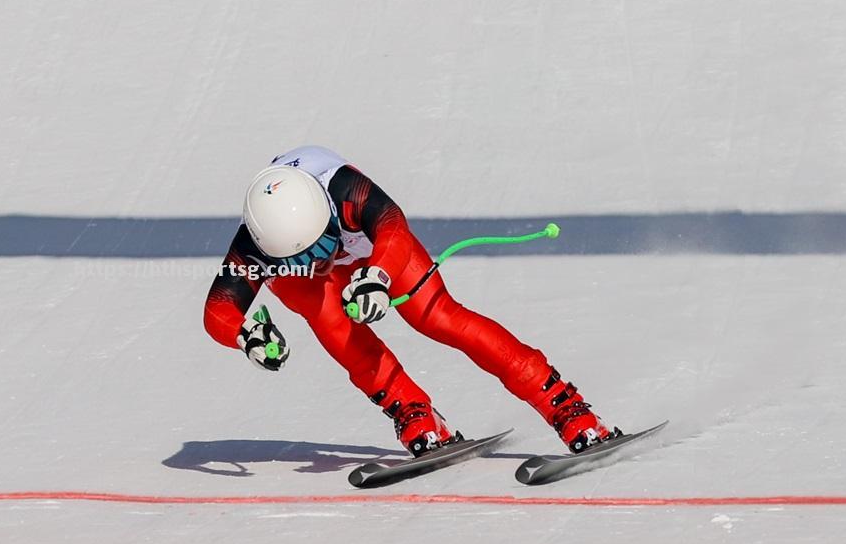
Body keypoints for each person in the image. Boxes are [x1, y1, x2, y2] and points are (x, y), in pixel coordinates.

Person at [202, 145, 621, 457]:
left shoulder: (343, 189)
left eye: (322, 246)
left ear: (329, 218)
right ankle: (414, 410)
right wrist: (246, 335)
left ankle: (562, 402)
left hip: (375, 248)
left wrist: (377, 276)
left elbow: (394, 228)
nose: (322, 261)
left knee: (437, 316)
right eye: (303, 259)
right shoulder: (256, 243)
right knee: (333, 324)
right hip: (308, 275)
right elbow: (218, 310)